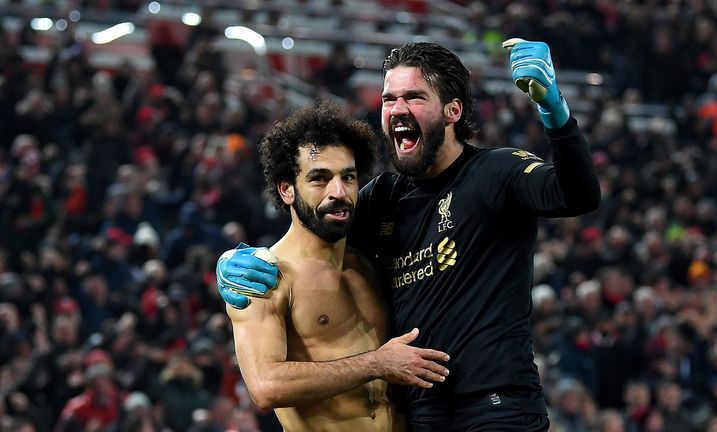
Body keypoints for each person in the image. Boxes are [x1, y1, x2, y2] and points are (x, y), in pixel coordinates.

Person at [218, 40, 600, 431]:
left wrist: (555, 112)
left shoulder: (496, 172)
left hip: (495, 404)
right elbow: (314, 227)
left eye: (414, 97)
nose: (398, 109)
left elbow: (578, 194)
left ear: (454, 110)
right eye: (389, 98)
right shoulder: (383, 198)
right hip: (423, 413)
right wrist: (235, 259)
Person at [222, 101, 450, 432]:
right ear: (287, 189)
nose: (338, 192)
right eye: (320, 178)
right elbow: (265, 386)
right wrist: (377, 363)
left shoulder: (367, 263)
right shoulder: (265, 276)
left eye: (348, 177)